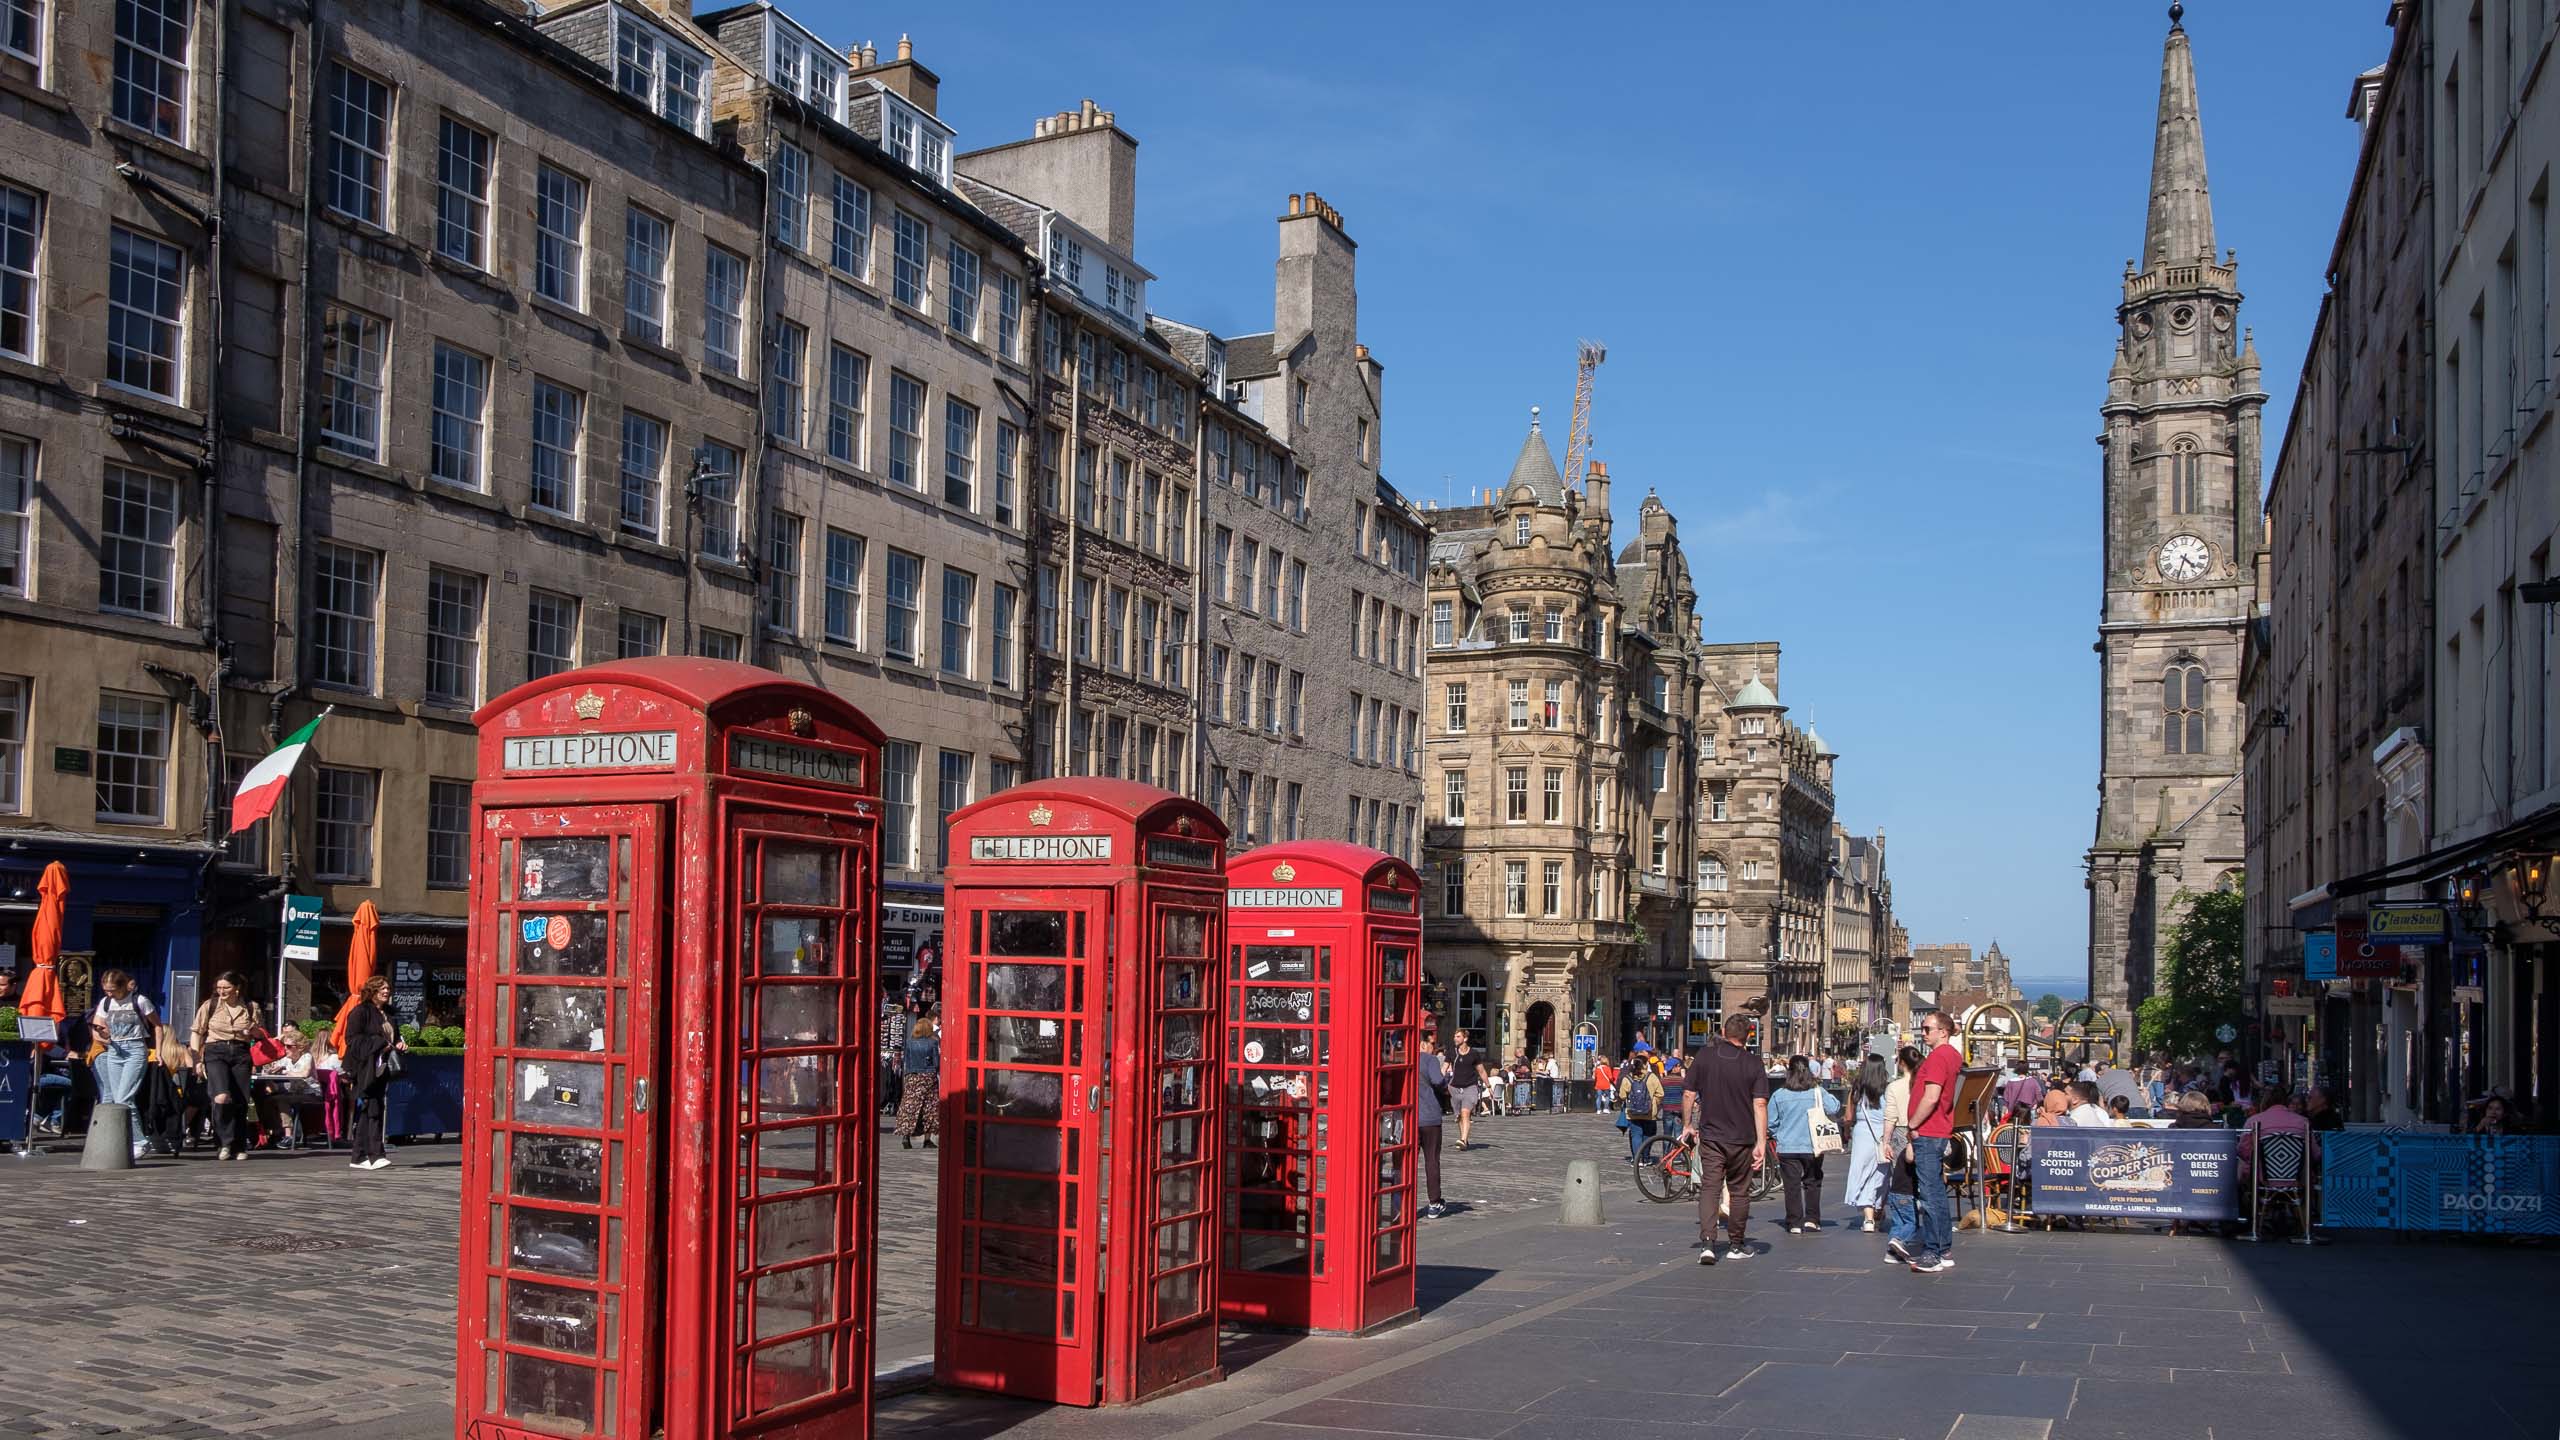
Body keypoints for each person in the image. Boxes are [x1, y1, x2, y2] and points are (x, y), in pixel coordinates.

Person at [1679, 1014, 1770, 1265]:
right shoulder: (1753, 1063)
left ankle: (1708, 1243)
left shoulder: (1705, 1056)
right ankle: (1736, 1244)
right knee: (1739, 1192)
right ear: (1748, 1036)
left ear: (1722, 1031)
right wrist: (1761, 1142)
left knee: (1710, 1188)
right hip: (1742, 1138)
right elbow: (1760, 1104)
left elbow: (1688, 1093)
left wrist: (1688, 1125)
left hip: (1711, 1136)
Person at [1904, 1009, 1963, 1274]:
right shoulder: (1949, 1055)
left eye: (1927, 1029)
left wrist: (1913, 1123)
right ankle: (1943, 1248)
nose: (1923, 1033)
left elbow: (1931, 1096)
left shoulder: (1940, 1057)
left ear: (1943, 1031)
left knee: (1929, 1195)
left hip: (1929, 1131)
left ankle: (1934, 1251)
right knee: (1935, 1191)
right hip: (1936, 1131)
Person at [190, 971, 270, 1162]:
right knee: (221, 1096)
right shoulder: (210, 1005)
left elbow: (260, 1034)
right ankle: (224, 1142)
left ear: (237, 988)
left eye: (226, 987)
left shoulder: (251, 1007)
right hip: (215, 1051)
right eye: (219, 987)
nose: (221, 991)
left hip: (241, 1052)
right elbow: (196, 1032)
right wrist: (196, 1059)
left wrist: (253, 1030)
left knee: (241, 1100)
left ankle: (239, 1145)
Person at [1768, 1056, 1842, 1235]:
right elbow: (1834, 1108)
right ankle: (1812, 1219)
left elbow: (1771, 1123)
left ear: (1789, 1072)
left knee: (1791, 1185)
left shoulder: (1780, 1095)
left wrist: (1781, 1136)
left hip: (1788, 1146)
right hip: (1813, 1145)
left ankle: (1794, 1221)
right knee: (1812, 1182)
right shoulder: (1817, 1092)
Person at [340, 975, 405, 1171]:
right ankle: (374, 1154)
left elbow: (394, 1035)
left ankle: (360, 1156)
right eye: (381, 989)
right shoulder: (360, 1012)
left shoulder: (388, 1014)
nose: (386, 991)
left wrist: (399, 1043)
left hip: (382, 1066)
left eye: (387, 988)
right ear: (372, 991)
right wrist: (379, 1044)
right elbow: (352, 1040)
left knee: (372, 1107)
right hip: (364, 1067)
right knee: (371, 1106)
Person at [88, 970, 159, 1124]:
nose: (110, 994)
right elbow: (96, 1029)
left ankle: (139, 1142)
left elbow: (157, 1026)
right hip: (114, 1049)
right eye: (106, 990)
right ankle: (127, 1139)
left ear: (123, 986)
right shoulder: (105, 1002)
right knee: (116, 1099)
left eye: (113, 990)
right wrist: (104, 1037)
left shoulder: (139, 1001)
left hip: (135, 1049)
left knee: (123, 1099)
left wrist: (158, 1051)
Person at [1879, 1046, 1923, 1262]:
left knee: (1900, 1183)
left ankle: (1898, 1236)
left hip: (1899, 1133)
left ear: (1901, 1063)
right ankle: (1905, 1234)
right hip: (1920, 1132)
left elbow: (1890, 1117)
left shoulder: (1894, 1086)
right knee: (1919, 1185)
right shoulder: (1923, 1085)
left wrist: (1885, 1142)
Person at [254, 1029, 322, 1149]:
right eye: (284, 1045)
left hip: (310, 1093)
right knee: (267, 1100)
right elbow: (274, 1065)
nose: (285, 1048)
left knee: (282, 1100)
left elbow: (304, 1073)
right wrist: (271, 1069)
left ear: (299, 1047)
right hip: (294, 1091)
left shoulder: (306, 1057)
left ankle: (289, 1136)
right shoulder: (287, 1058)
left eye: (289, 1046)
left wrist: (286, 1071)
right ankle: (276, 1131)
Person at [1845, 1055, 1891, 1233]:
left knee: (1863, 1174)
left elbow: (1849, 1116)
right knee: (1881, 1175)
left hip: (1862, 1134)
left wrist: (1847, 1131)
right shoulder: (1887, 1089)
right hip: (1883, 1134)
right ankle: (1877, 1210)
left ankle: (1869, 1218)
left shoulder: (1856, 1088)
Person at [895, 1011, 941, 1149]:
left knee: (910, 1107)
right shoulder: (933, 1043)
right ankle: (927, 1140)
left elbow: (907, 1062)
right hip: (928, 1077)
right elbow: (937, 1063)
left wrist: (908, 1077)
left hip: (912, 1076)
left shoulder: (909, 1043)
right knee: (929, 1108)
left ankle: (906, 1137)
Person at [1417, 1032, 1450, 1218]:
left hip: (1409, 1117)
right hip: (1430, 1117)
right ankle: (1434, 1202)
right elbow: (1438, 1081)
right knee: (1431, 1160)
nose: (1433, 1047)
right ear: (1422, 1044)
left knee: (1406, 1163)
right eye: (1431, 1043)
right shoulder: (1429, 1060)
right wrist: (1445, 1083)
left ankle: (1400, 1203)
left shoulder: (1401, 1059)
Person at [1617, 1051, 1664, 1163]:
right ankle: (1646, 1158)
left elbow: (1622, 1096)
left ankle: (1637, 1159)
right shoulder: (1651, 1077)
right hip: (1649, 1112)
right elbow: (1660, 1094)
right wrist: (1654, 1103)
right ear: (1645, 1065)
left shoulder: (1627, 1078)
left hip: (1633, 1112)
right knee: (1648, 1135)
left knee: (1636, 1136)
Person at [1446, 1033, 1486, 1149]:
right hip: (1454, 1087)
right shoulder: (1452, 1052)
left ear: (1465, 1038)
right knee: (1459, 1116)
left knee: (1465, 1113)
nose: (1455, 1038)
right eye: (1454, 1036)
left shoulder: (1474, 1053)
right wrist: (1439, 1081)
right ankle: (1464, 1139)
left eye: (1458, 1036)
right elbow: (1444, 1068)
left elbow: (1481, 1071)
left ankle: (1463, 1139)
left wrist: (1488, 1086)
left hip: (1470, 1086)